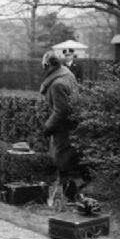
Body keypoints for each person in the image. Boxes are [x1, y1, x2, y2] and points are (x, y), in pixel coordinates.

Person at [40, 50, 84, 200]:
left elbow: (61, 111)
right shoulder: (67, 73)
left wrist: (47, 127)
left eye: (44, 65)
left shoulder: (57, 84)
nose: (43, 68)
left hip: (63, 127)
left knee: (63, 160)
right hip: (73, 123)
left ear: (49, 65)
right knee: (70, 158)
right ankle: (74, 192)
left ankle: (70, 196)